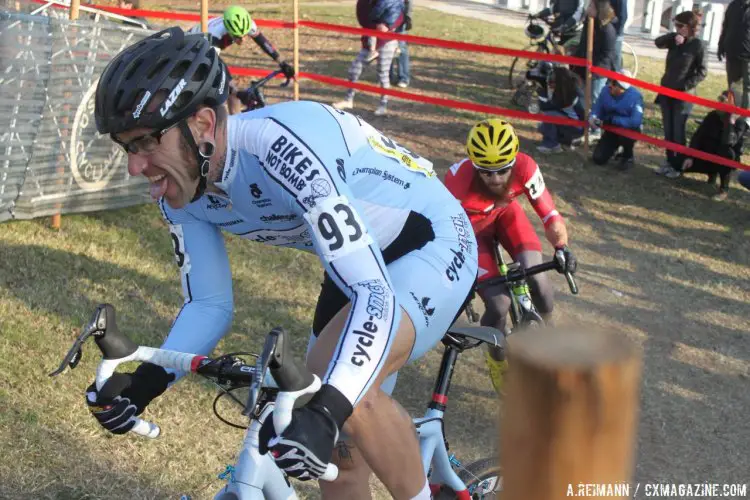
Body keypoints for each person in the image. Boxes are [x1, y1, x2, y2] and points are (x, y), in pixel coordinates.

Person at [87, 27, 478, 499]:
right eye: (128, 146)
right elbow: (208, 304)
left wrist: (330, 409)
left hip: (431, 238)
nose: (135, 165)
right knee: (332, 446)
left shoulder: (282, 150)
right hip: (355, 262)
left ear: (205, 125)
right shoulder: (180, 185)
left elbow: (375, 293)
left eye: (147, 141)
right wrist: (145, 382)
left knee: (347, 397)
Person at [443, 119, 577, 393]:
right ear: (474, 165)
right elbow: (446, 231)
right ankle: (496, 357)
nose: (495, 179)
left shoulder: (526, 167)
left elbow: (549, 214)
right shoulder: (456, 181)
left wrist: (561, 247)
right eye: (486, 172)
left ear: (513, 162)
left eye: (502, 171)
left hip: (506, 216)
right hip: (470, 230)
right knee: (499, 304)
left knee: (538, 278)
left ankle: (549, 332)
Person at [188, 6, 295, 115]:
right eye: (238, 37)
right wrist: (237, 92)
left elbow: (263, 42)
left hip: (209, 50)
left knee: (232, 92)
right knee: (222, 91)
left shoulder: (246, 24)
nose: (242, 40)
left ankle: (236, 121)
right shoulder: (215, 34)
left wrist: (282, 62)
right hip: (192, 48)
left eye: (245, 35)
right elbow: (215, 66)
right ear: (228, 31)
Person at [654, 11, 707, 178]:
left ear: (689, 27)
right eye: (675, 24)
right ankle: (669, 161)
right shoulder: (674, 41)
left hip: (683, 95)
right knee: (668, 131)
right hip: (666, 91)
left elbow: (702, 71)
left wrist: (684, 86)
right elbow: (657, 42)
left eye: (680, 26)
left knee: (678, 132)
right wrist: (672, 37)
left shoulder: (698, 45)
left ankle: (678, 165)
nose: (677, 28)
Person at [332, 0, 406, 116]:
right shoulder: (365, 3)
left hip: (386, 42)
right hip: (369, 41)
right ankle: (348, 100)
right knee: (354, 69)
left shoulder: (394, 3)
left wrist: (389, 26)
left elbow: (399, 17)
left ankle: (383, 105)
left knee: (383, 73)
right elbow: (364, 20)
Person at [677, 90, 748, 201]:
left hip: (724, 157)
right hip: (707, 152)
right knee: (677, 160)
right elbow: (697, 136)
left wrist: (730, 122)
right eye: (719, 99)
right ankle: (711, 174)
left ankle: (724, 189)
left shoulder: (740, 123)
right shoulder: (712, 116)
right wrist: (689, 156)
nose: (720, 103)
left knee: (727, 154)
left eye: (724, 101)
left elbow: (729, 142)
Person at [573, 0, 618, 138]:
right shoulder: (589, 23)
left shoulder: (608, 29)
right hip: (584, 67)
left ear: (600, 9)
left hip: (599, 71)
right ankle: (585, 126)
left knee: (595, 100)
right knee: (582, 97)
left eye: (592, 6)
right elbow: (583, 45)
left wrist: (594, 68)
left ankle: (595, 131)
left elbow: (608, 55)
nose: (588, 8)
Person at [589, 70, 644, 170]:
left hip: (628, 129)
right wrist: (593, 117)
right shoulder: (605, 91)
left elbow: (635, 122)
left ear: (622, 88)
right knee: (598, 158)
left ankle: (627, 155)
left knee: (626, 137)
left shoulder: (636, 96)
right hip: (611, 128)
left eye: (614, 83)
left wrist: (614, 120)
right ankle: (613, 149)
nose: (610, 85)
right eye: (611, 81)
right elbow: (597, 107)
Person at [536, 66, 585, 153]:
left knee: (548, 116)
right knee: (542, 126)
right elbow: (545, 106)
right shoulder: (561, 91)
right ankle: (561, 140)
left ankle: (552, 145)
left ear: (560, 82)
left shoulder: (574, 94)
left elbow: (583, 115)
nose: (549, 84)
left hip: (576, 126)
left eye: (552, 82)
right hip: (567, 121)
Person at [718, 0, 750, 111]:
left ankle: (745, 119)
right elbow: (726, 26)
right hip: (732, 53)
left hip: (748, 56)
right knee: (733, 87)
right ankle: (733, 115)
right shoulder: (734, 5)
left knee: (748, 89)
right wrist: (721, 45)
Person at [390, 0, 412, 88]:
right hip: (385, 17)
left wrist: (407, 17)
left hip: (400, 19)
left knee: (401, 48)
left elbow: (408, 2)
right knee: (386, 47)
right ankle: (387, 76)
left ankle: (403, 78)